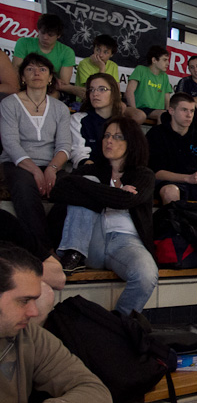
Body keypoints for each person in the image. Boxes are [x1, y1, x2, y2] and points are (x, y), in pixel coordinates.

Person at [0, 245, 131, 403]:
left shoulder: (28, 335)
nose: (34, 312)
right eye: (24, 301)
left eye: (34, 300)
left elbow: (97, 395)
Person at [52, 117, 158, 314]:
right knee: (90, 179)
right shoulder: (91, 170)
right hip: (90, 239)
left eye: (117, 137)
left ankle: (119, 323)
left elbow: (125, 201)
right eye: (107, 136)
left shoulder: (144, 175)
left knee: (147, 275)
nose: (109, 141)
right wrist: (108, 191)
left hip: (127, 242)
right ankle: (73, 252)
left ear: (131, 142)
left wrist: (86, 188)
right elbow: (59, 190)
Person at [0, 54, 71, 251]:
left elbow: (65, 146)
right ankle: (43, 251)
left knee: (74, 190)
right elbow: (10, 144)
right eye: (30, 69)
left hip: (51, 164)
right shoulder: (9, 104)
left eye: (42, 69)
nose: (36, 73)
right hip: (17, 164)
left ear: (50, 78)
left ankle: (50, 242)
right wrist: (35, 170)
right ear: (23, 77)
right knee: (25, 188)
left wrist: (52, 169)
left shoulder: (60, 109)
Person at [11, 13, 81, 99]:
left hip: (50, 88)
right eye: (42, 32)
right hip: (24, 84)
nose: (45, 37)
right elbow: (16, 72)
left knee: (54, 95)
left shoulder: (67, 52)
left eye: (50, 35)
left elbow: (62, 83)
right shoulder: (23, 43)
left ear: (58, 35)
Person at [70, 73, 124, 168]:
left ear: (113, 93)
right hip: (87, 170)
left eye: (102, 89)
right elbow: (78, 153)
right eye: (91, 90)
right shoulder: (78, 119)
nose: (95, 94)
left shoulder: (124, 123)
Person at [124, 45, 172, 125]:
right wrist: (134, 110)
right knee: (143, 116)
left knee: (165, 115)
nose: (168, 63)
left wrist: (168, 112)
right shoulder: (141, 69)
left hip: (156, 110)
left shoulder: (164, 76)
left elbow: (167, 98)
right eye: (164, 60)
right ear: (154, 60)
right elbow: (129, 91)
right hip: (139, 108)